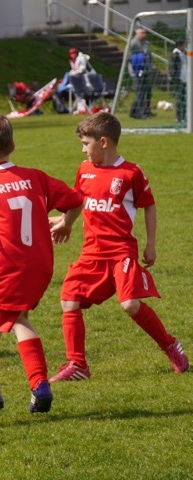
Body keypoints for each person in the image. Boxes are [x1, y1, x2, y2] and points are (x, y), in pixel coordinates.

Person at [49, 112, 189, 383]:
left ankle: (170, 345)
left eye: (86, 144)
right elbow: (79, 201)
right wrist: (65, 222)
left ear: (103, 142)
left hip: (121, 252)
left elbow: (149, 205)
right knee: (69, 299)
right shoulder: (85, 169)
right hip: (91, 252)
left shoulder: (130, 173)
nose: (83, 150)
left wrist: (150, 245)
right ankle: (77, 364)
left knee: (130, 304)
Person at [0, 114, 83, 427]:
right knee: (19, 318)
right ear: (13, 146)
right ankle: (40, 386)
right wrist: (66, 223)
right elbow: (75, 200)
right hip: (40, 265)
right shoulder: (35, 177)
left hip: (7, 268)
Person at [129, 28, 154, 119]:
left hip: (146, 71)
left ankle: (141, 111)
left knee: (147, 92)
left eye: (145, 33)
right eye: (142, 33)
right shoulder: (133, 43)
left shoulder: (146, 43)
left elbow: (149, 56)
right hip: (137, 71)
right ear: (137, 34)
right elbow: (129, 57)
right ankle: (140, 113)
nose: (144, 34)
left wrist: (151, 66)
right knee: (139, 92)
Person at [169, 38, 187, 124]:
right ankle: (178, 117)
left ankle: (184, 117)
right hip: (179, 80)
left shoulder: (183, 53)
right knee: (179, 99)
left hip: (184, 79)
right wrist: (175, 79)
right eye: (184, 44)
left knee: (184, 99)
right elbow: (172, 68)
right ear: (180, 45)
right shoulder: (175, 55)